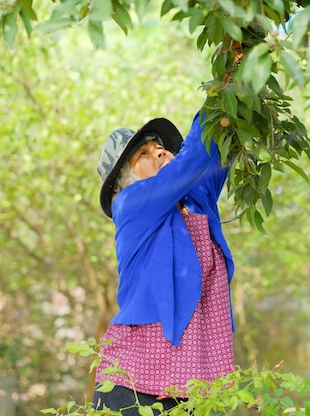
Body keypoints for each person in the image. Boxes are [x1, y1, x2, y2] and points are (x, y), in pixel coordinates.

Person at [93, 108, 235, 415]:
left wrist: (235, 107)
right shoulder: (131, 203)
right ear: (126, 177)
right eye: (143, 152)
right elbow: (190, 162)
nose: (158, 150)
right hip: (135, 370)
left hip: (191, 368)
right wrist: (213, 105)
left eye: (159, 146)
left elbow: (217, 154)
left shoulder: (195, 200)